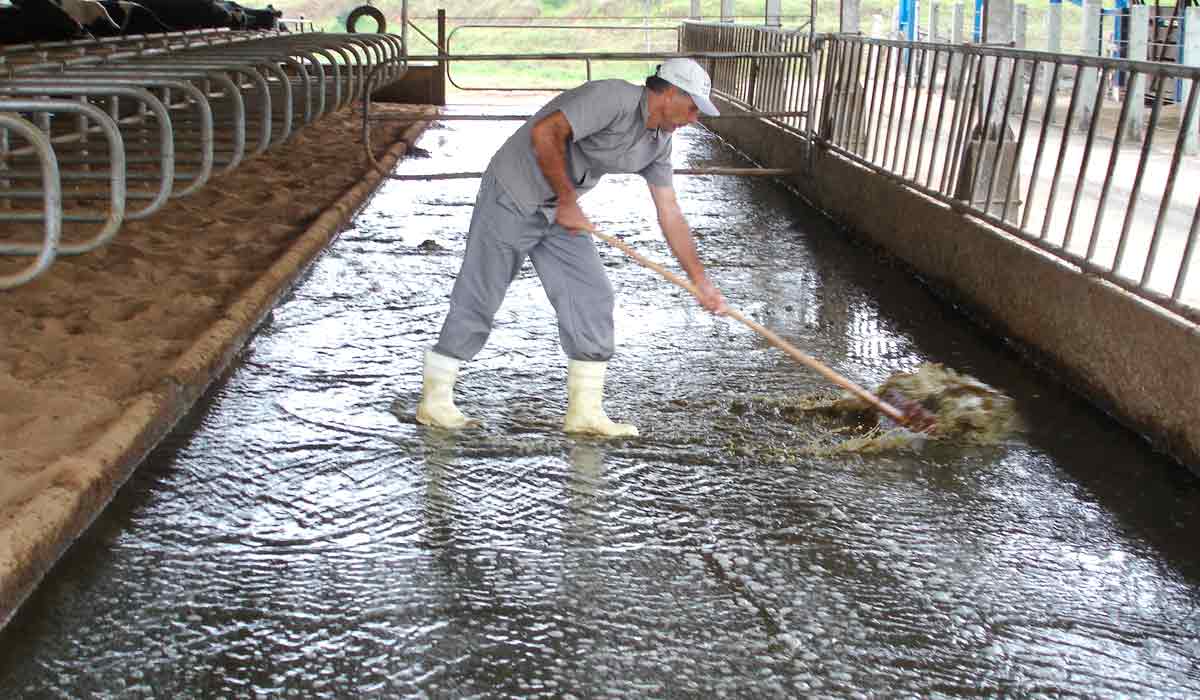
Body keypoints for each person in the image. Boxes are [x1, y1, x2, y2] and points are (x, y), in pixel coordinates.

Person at [416, 58, 727, 437]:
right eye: (692, 107)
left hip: (560, 207)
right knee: (482, 293)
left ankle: (584, 412)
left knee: (592, 294)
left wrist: (700, 280)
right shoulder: (612, 97)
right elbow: (546, 132)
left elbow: (670, 211)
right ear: (671, 94)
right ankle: (434, 401)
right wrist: (568, 200)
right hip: (515, 191)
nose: (694, 118)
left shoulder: (658, 142)